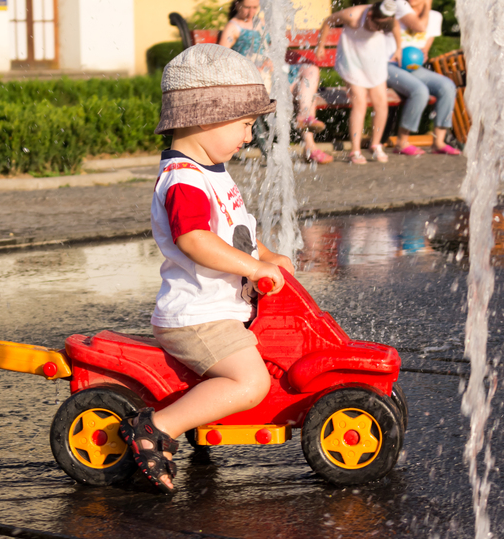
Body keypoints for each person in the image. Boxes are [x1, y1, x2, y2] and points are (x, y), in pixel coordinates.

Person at [118, 43, 296, 493]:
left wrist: (266, 256)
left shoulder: (209, 170)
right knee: (251, 383)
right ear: (205, 116)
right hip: (197, 317)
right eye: (244, 124)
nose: (248, 136)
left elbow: (234, 232)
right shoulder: (185, 179)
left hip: (217, 312)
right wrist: (253, 269)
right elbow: (195, 239)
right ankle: (156, 428)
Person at [219, 0, 334, 165]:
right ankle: (310, 145)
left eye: (254, 8)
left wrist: (272, 59)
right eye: (247, 8)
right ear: (237, 5)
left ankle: (304, 119)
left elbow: (274, 48)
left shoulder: (261, 23)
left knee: (311, 71)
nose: (251, 12)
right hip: (256, 80)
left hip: (273, 75)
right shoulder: (233, 27)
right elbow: (222, 57)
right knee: (308, 97)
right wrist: (249, 66)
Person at [315, 0, 401, 164]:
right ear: (370, 15)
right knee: (360, 102)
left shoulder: (387, 19)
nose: (378, 30)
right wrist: (321, 46)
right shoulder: (352, 16)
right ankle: (355, 150)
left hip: (374, 58)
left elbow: (395, 27)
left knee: (381, 103)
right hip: (351, 60)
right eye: (376, 26)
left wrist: (399, 48)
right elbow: (328, 21)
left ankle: (375, 144)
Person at [385, 0, 461, 156]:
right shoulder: (400, 5)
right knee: (420, 91)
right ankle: (401, 142)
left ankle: (439, 142)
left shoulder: (435, 17)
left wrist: (423, 52)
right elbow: (419, 27)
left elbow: (425, 45)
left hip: (412, 67)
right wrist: (427, 5)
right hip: (388, 65)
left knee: (447, 86)